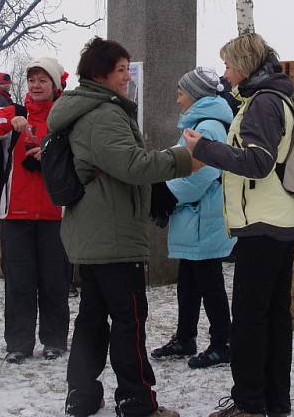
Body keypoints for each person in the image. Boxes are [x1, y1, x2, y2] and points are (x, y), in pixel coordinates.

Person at [48, 37, 192, 417]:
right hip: (112, 235)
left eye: (128, 68)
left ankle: (81, 395)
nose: (127, 76)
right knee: (128, 319)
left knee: (93, 318)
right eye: (121, 70)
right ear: (100, 75)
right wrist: (184, 159)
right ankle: (136, 400)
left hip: (95, 232)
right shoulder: (104, 114)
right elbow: (132, 165)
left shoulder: (87, 109)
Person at [182, 33, 294, 417]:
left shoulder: (263, 103)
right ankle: (272, 401)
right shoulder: (273, 97)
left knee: (251, 320)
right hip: (278, 220)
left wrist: (201, 148)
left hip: (262, 226)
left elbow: (258, 162)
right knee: (273, 317)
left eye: (229, 64)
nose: (225, 72)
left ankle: (250, 402)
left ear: (246, 65)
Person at [0, 58, 70, 363]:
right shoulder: (15, 113)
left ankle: (54, 339)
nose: (37, 86)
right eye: (32, 80)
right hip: (15, 213)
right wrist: (9, 122)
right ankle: (18, 342)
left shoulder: (65, 118)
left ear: (55, 85)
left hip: (56, 214)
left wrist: (49, 153)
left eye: (43, 80)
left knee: (55, 281)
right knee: (19, 282)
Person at [150, 67, 235, 369]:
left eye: (181, 92)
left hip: (202, 215)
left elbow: (206, 170)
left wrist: (169, 193)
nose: (177, 98)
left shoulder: (209, 126)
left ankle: (223, 342)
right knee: (189, 281)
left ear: (196, 94)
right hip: (195, 217)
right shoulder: (200, 122)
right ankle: (185, 337)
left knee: (208, 282)